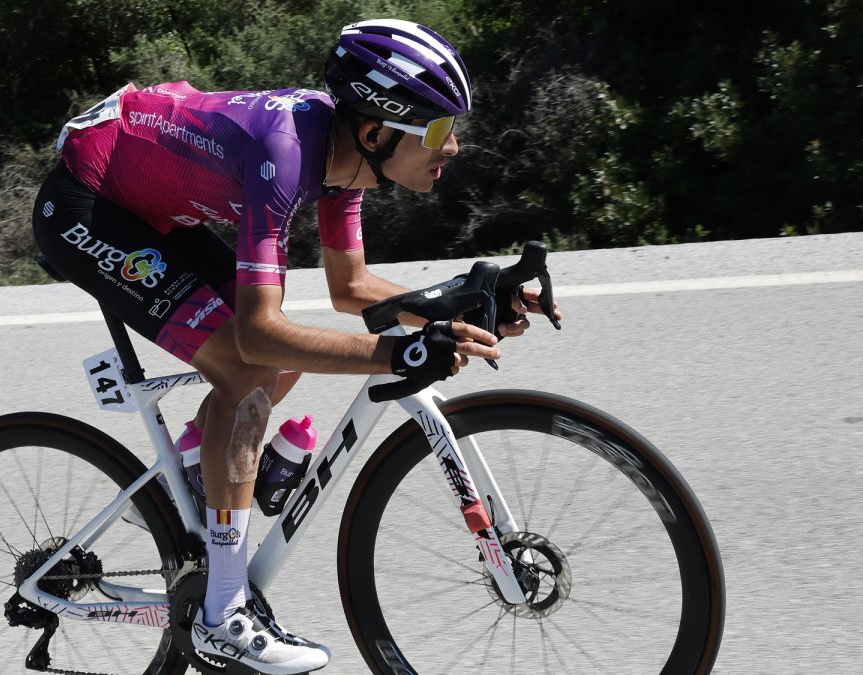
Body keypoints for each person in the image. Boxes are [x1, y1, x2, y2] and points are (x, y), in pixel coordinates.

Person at [32, 18, 560, 674]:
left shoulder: (346, 160)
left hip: (152, 202)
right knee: (250, 366)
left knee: (278, 360)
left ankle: (194, 480)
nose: (450, 146)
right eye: (435, 129)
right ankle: (222, 614)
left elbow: (352, 286)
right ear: (376, 132)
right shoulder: (284, 152)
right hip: (88, 203)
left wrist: (466, 302)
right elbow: (260, 333)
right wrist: (398, 354)